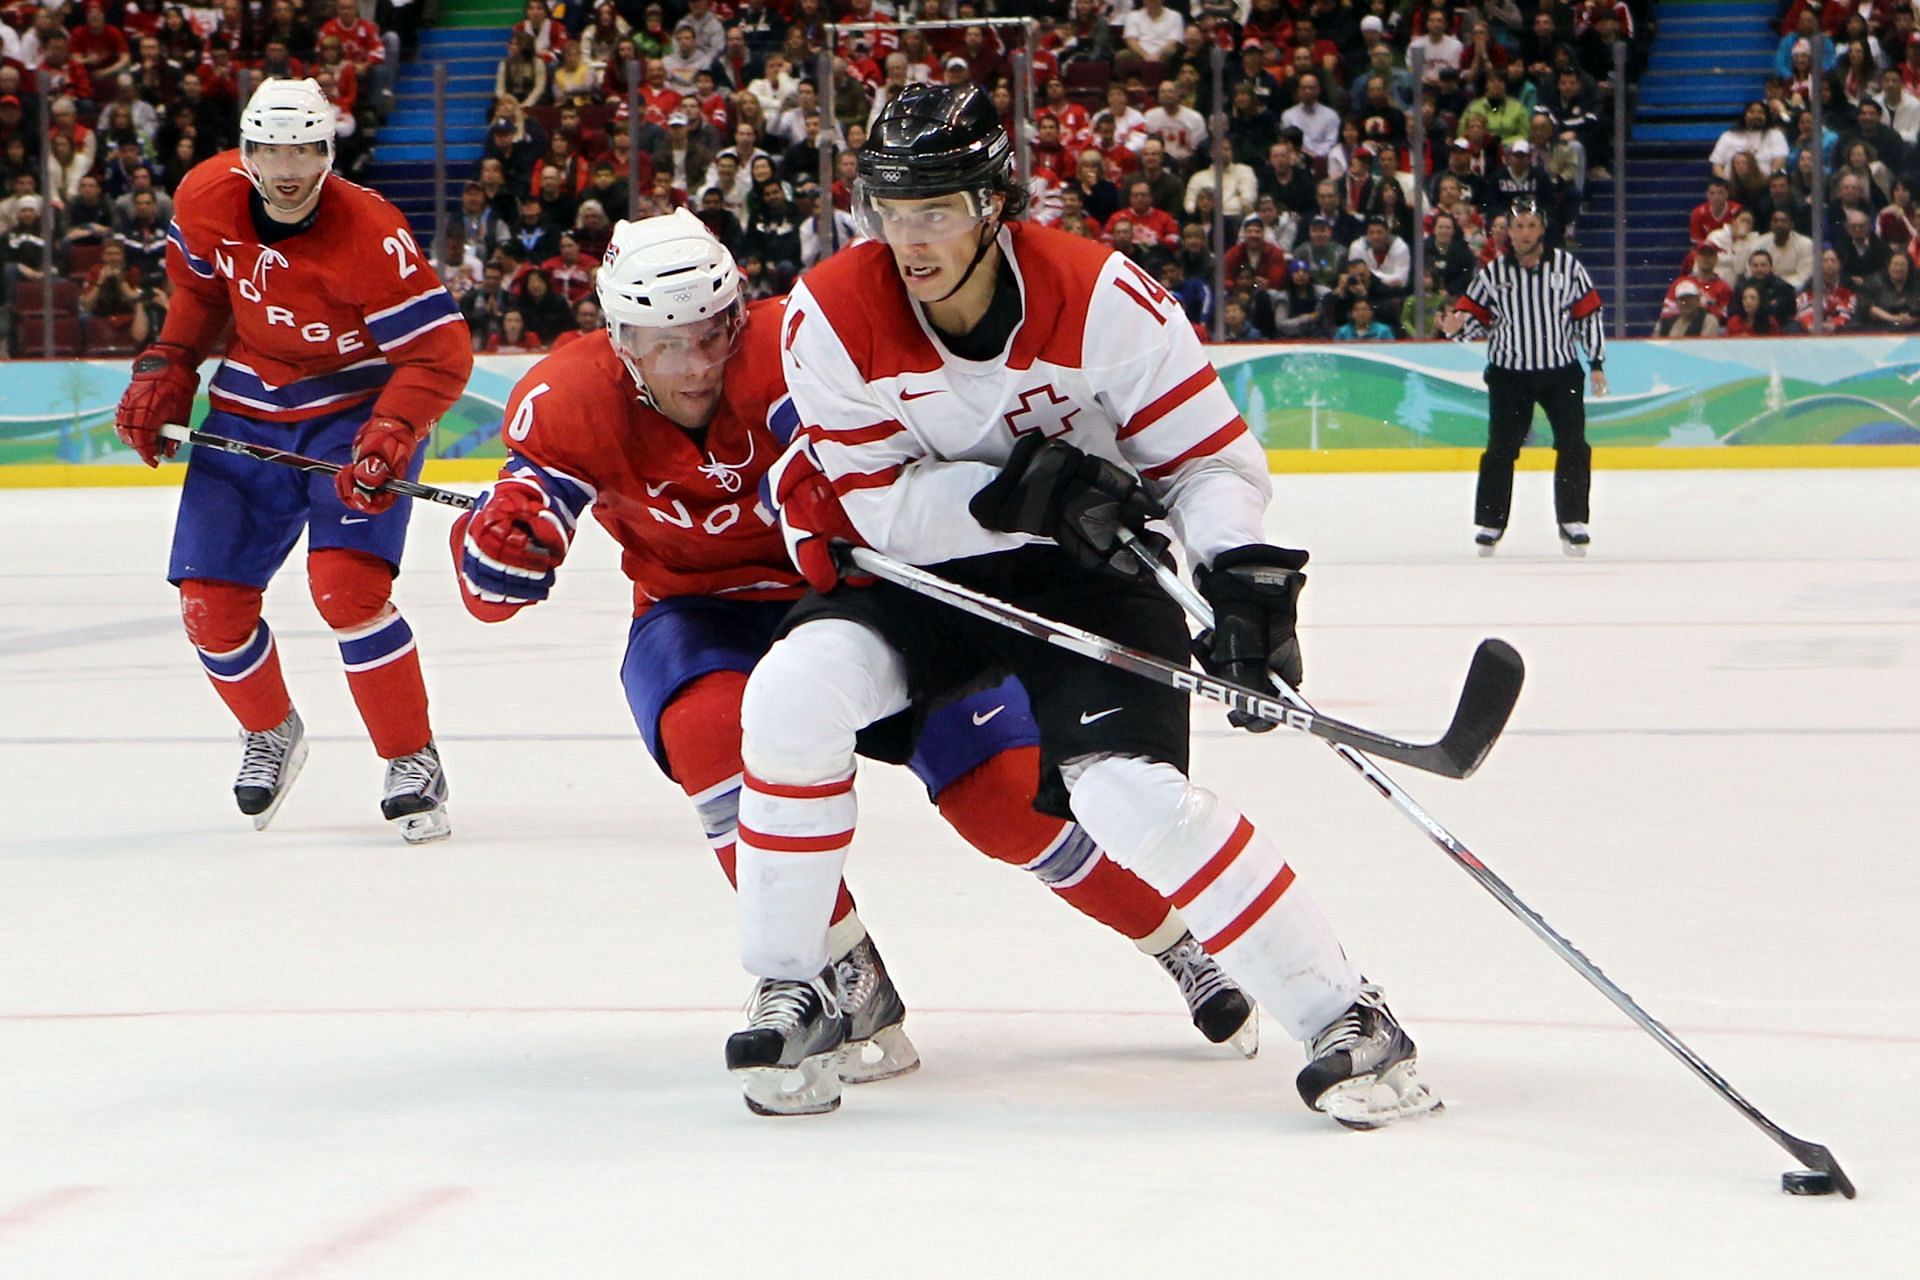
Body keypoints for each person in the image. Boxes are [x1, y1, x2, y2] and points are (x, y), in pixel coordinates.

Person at [727, 83, 1441, 1128]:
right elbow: (876, 506)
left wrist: (1239, 579)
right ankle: (792, 985)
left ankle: (1348, 1014)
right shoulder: (831, 313)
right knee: (790, 695)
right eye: (891, 208)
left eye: (935, 210)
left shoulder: (1106, 299)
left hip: (1090, 572)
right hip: (933, 567)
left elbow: (1206, 463)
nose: (909, 238)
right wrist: (1022, 498)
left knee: (1123, 796)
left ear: (992, 205)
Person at [453, 210, 1259, 1109]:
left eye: (709, 335)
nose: (690, 366)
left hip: (868, 599)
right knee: (715, 730)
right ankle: (828, 972)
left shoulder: (793, 342)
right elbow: (496, 578)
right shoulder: (567, 396)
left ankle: (1174, 939)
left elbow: (849, 467)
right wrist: (503, 550)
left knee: (1005, 806)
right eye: (656, 342)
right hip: (699, 611)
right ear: (616, 334)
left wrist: (817, 495)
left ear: (738, 316)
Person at [110, 78, 470, 840]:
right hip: (250, 403)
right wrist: (171, 363)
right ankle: (270, 731)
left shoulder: (370, 232)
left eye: (303, 150)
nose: (285, 166)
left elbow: (438, 354)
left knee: (347, 591)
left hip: (353, 411)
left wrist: (393, 431)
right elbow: (198, 295)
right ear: (245, 153)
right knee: (209, 605)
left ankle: (413, 757)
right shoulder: (206, 197)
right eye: (269, 149)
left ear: (326, 155)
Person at [1441, 197, 1607, 557]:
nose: (1525, 232)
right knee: (1501, 449)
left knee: (1573, 445)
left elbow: (1588, 315)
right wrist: (1454, 327)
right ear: (1508, 232)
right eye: (1518, 226)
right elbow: (1471, 317)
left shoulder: (1568, 268)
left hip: (1561, 372)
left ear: (1542, 230)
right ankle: (1491, 522)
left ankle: (1572, 520)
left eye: (1531, 225)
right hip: (1509, 375)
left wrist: (1595, 362)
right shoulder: (1493, 274)